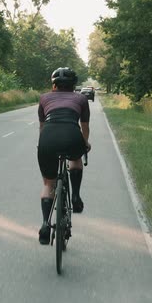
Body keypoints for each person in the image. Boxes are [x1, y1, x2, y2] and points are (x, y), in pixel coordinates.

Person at [36, 67, 91, 245]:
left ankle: (45, 224)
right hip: (72, 135)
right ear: (73, 84)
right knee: (75, 159)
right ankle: (75, 197)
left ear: (54, 85)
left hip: (48, 138)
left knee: (48, 183)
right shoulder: (81, 98)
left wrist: (42, 144)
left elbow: (42, 126)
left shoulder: (44, 98)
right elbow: (85, 127)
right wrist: (85, 144)